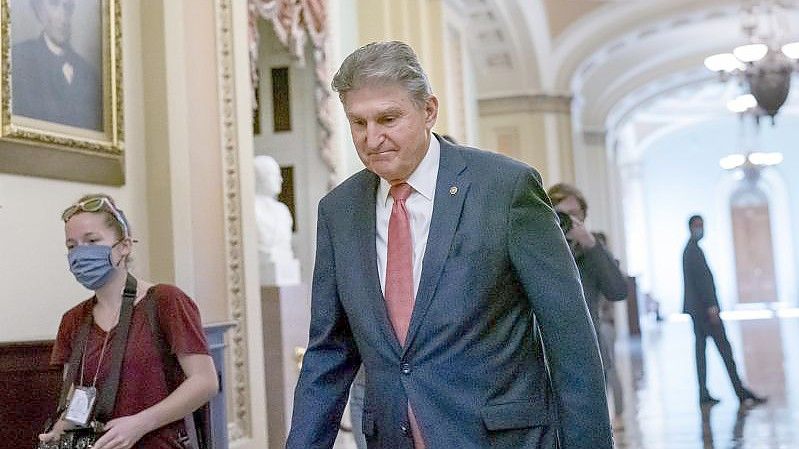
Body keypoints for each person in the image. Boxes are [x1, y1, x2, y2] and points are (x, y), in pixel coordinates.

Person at [286, 41, 612, 448]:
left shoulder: (505, 188)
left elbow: (570, 339)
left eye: (388, 118)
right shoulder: (339, 210)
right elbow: (329, 353)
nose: (372, 138)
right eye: (358, 123)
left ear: (428, 111)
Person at [39, 194, 218, 449]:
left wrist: (139, 423)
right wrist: (58, 431)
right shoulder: (73, 320)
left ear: (124, 246)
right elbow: (76, 397)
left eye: (92, 241)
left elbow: (205, 382)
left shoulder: (166, 301)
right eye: (72, 246)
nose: (80, 253)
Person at [548, 183, 628, 427]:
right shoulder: (540, 252)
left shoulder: (592, 253)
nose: (570, 222)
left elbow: (618, 290)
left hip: (588, 353)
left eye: (576, 216)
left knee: (590, 428)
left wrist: (591, 244)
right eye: (563, 215)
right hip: (548, 354)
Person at [683, 214, 765, 406]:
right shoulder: (693, 251)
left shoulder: (692, 250)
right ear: (690, 227)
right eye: (697, 226)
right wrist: (712, 307)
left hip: (698, 312)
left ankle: (705, 393)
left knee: (702, 353)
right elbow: (702, 284)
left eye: (702, 225)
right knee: (724, 351)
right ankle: (740, 392)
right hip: (705, 312)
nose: (700, 229)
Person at [11, 0, 102, 130]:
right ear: (40, 11)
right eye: (54, 4)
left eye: (68, 7)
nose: (63, 17)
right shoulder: (17, 60)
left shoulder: (89, 75)